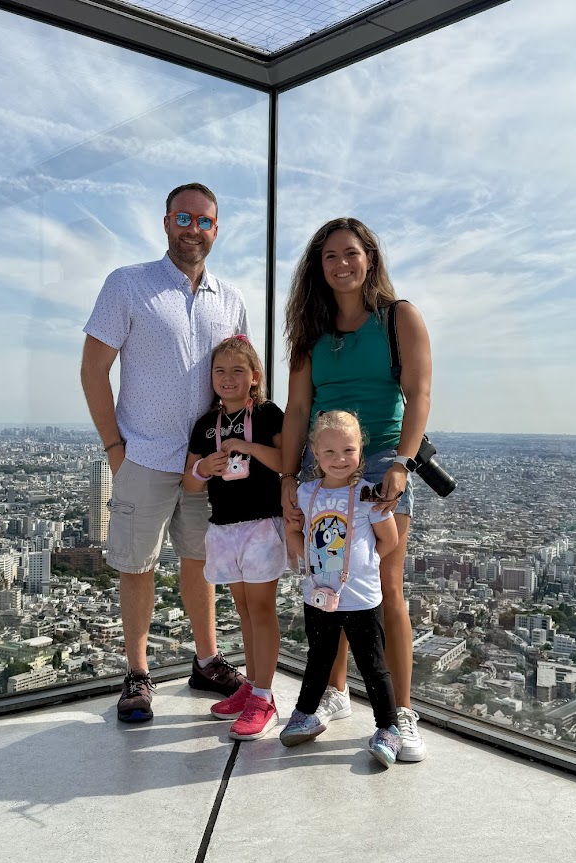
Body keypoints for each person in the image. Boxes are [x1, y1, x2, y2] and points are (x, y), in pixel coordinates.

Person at [81, 183, 250, 723]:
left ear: (216, 230)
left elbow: (243, 379)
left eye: (204, 221)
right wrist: (115, 449)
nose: (192, 229)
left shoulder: (232, 299)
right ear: (166, 222)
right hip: (145, 455)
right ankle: (137, 673)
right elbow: (92, 370)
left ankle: (206, 660)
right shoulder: (128, 285)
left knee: (202, 564)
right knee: (138, 566)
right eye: (184, 217)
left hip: (208, 461)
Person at [281, 217, 432, 761]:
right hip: (321, 468)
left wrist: (403, 465)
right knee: (327, 584)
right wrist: (288, 480)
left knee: (384, 585)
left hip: (382, 464)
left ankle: (402, 713)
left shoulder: (399, 318)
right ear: (317, 268)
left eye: (351, 253)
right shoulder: (310, 332)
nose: (341, 265)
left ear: (370, 257)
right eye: (329, 257)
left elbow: (418, 395)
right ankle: (336, 694)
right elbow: (298, 408)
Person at [280, 411, 402, 768]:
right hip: (318, 592)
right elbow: (298, 535)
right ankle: (305, 712)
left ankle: (389, 727)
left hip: (361, 596)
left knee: (373, 664)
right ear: (314, 453)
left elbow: (389, 541)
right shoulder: (305, 493)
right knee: (318, 656)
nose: (339, 459)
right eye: (329, 452)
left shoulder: (368, 495)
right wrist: (314, 558)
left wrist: (361, 566)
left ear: (361, 453)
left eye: (348, 450)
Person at [183, 336, 286, 740]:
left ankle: (264, 697)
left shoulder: (267, 414)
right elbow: (190, 484)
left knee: (261, 609)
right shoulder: (205, 424)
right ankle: (252, 686)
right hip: (224, 526)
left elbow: (285, 462)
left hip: (261, 523)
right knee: (244, 609)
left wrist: (246, 445)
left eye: (237, 371)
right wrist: (205, 467)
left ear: (254, 377)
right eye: (220, 371)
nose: (227, 378)